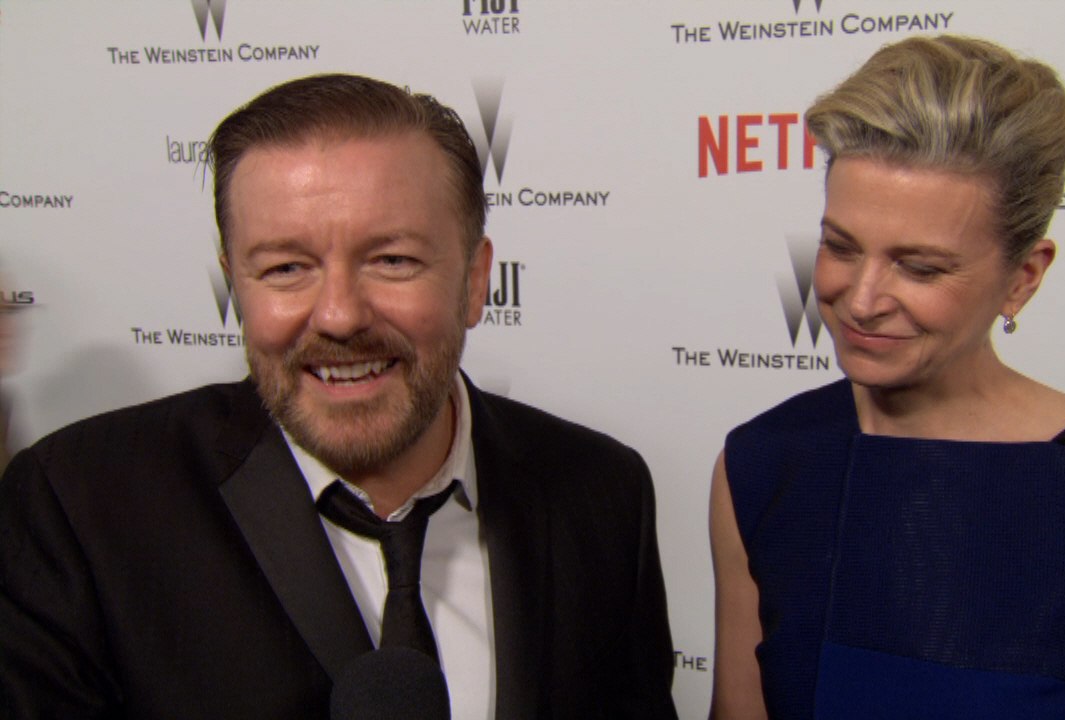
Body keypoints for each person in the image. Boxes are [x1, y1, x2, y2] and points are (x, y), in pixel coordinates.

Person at [0, 74, 677, 719]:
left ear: (475, 282)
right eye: (286, 267)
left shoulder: (603, 493)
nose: (340, 316)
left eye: (393, 260)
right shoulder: (81, 503)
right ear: (236, 286)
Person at [709, 36, 1065, 720]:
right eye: (840, 247)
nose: (861, 299)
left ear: (1024, 278)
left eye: (919, 268)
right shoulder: (760, 463)